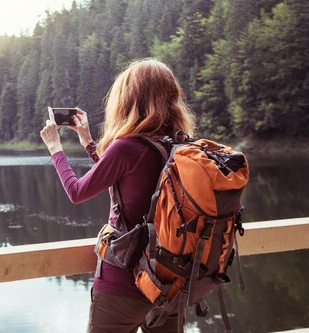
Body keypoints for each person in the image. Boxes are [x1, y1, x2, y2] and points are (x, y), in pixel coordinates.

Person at [39, 58, 196, 333]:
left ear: (129, 99)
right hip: (169, 282)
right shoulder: (181, 147)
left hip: (123, 284)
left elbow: (77, 192)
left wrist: (55, 149)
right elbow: (125, 176)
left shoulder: (126, 147)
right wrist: (87, 140)